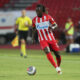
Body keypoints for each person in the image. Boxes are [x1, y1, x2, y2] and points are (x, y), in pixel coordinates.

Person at [32, 4, 62, 74]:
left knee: (57, 54)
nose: (37, 12)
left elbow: (55, 25)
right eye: (36, 11)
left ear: (42, 11)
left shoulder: (48, 17)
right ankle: (56, 68)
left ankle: (58, 66)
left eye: (38, 10)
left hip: (51, 38)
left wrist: (52, 27)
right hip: (42, 39)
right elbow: (33, 29)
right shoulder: (34, 20)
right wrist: (32, 38)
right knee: (47, 50)